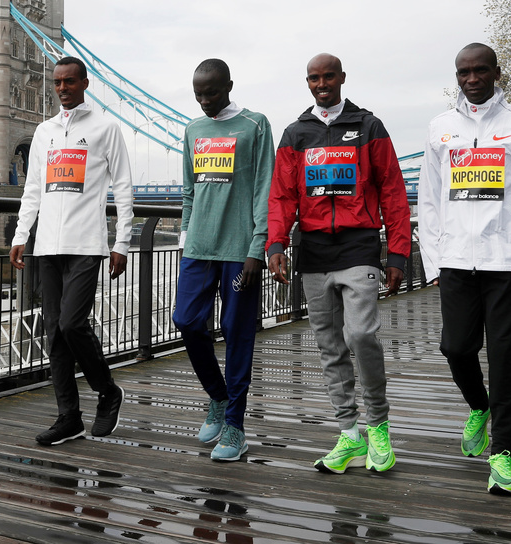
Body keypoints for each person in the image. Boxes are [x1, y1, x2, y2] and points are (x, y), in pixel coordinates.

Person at [416, 42, 511, 496]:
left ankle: (502, 453)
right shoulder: (441, 128)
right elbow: (429, 199)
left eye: (481, 70)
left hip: (508, 260)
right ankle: (479, 406)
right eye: (464, 72)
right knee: (455, 347)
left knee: (505, 359)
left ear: (497, 73)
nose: (472, 79)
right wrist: (433, 261)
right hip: (456, 260)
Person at [268, 53, 410, 475]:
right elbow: (282, 195)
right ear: (308, 83)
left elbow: (392, 190)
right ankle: (349, 433)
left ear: (342, 78)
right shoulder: (295, 134)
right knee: (330, 347)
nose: (322, 84)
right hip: (313, 252)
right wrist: (276, 243)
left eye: (328, 76)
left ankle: (378, 424)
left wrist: (398, 252)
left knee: (362, 335)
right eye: (314, 78)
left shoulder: (368, 127)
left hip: (358, 247)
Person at [9, 56, 134, 446]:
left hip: (86, 244)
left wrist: (122, 242)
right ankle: (69, 417)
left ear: (84, 83)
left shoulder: (105, 128)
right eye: (57, 82)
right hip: (47, 245)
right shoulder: (44, 131)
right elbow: (33, 189)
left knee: (71, 324)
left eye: (69, 81)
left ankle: (108, 390)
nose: (62, 88)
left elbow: (123, 187)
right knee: (54, 334)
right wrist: (20, 235)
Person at [173, 59, 275, 461]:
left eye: (211, 92)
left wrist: (257, 248)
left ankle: (235, 426)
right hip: (198, 247)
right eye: (197, 94)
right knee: (185, 320)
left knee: (237, 333)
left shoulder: (255, 125)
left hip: (238, 250)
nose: (204, 101)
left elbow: (265, 187)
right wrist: (185, 237)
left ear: (229, 86)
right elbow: (189, 189)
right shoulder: (193, 130)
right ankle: (218, 395)